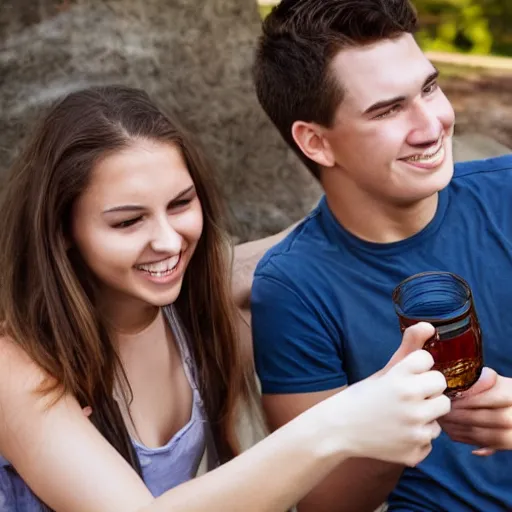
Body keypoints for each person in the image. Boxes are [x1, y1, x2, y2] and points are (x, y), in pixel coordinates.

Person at [0, 85, 450, 511]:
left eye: (180, 204)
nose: (168, 241)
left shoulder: (199, 304)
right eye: (128, 222)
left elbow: (311, 242)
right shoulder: (17, 366)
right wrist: (339, 424)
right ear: (62, 232)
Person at [249, 1, 512, 511]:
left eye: (429, 88)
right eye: (388, 110)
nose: (431, 125)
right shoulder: (293, 287)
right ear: (317, 143)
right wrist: (391, 418)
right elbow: (326, 504)